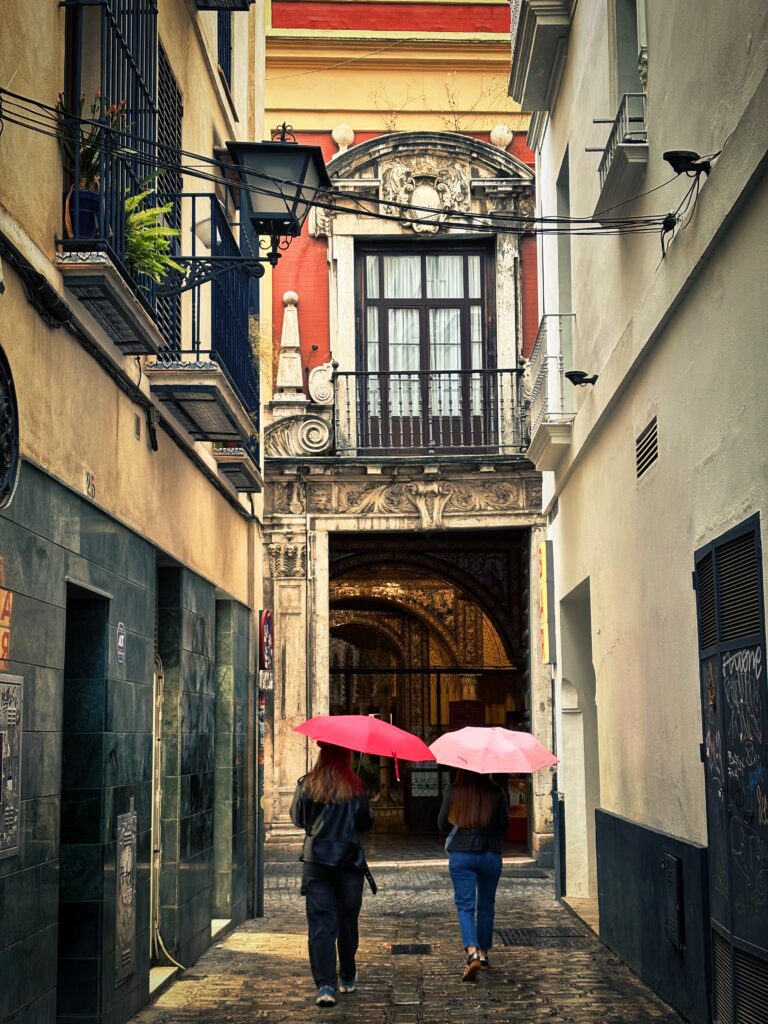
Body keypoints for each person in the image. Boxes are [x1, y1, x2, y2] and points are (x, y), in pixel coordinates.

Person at [290, 742, 374, 1007]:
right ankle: (347, 975)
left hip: (316, 864)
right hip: (348, 864)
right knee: (347, 923)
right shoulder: (356, 787)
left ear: (322, 754)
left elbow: (298, 819)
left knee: (321, 925)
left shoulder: (307, 785)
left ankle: (325, 985)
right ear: (347, 756)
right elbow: (365, 823)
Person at [438, 769, 509, 982]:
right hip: (490, 853)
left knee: (465, 905)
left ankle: (472, 952)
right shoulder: (496, 792)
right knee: (486, 904)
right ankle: (484, 953)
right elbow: (504, 825)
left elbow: (441, 824)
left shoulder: (454, 791)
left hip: (462, 854)